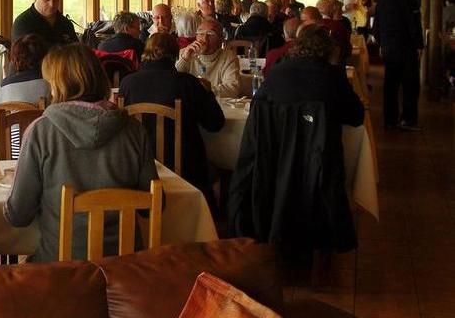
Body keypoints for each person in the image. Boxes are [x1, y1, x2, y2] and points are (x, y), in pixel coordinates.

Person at [4, 43, 158, 262]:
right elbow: (153, 207)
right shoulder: (135, 131)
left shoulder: (41, 132)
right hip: (126, 267)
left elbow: (18, 215)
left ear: (57, 85)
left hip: (61, 268)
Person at [231, 25, 363, 258]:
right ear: (327, 50)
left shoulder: (277, 72)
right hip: (317, 165)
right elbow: (356, 116)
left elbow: (257, 109)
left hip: (273, 166)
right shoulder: (331, 76)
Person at [120, 33, 224, 198]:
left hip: (140, 166)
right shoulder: (187, 83)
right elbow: (215, 123)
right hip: (186, 170)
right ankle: (210, 217)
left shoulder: (127, 83)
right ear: (175, 55)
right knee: (219, 171)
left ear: (145, 53)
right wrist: (208, 93)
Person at [373, 0, 424, 131]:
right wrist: (419, 47)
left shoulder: (382, 0)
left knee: (390, 84)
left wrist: (382, 44)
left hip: (389, 48)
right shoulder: (410, 1)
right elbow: (414, 27)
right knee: (410, 85)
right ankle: (408, 120)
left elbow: (376, 28)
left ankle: (390, 119)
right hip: (407, 49)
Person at [0, 34, 51, 158]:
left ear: (15, 58)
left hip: (7, 152)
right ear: (45, 58)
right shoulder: (49, 84)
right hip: (37, 153)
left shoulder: (3, 86)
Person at [175, 19, 240, 98]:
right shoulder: (185, 53)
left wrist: (203, 91)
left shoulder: (228, 57)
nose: (205, 39)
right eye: (201, 33)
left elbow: (232, 89)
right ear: (196, 37)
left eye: (211, 34)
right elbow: (173, 82)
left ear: (221, 40)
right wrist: (184, 59)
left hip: (217, 106)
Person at [12, 0, 78, 48]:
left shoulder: (66, 23)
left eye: (56, 0)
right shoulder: (23, 23)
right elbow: (26, 55)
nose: (51, 5)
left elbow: (77, 51)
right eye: (46, 0)